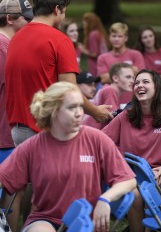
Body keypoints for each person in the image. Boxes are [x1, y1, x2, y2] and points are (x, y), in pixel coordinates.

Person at [0, 82, 136, 232]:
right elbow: (3, 178)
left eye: (80, 106)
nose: (79, 113)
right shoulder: (33, 146)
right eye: (72, 107)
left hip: (87, 223)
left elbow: (128, 180)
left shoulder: (96, 138)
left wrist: (106, 199)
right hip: (46, 219)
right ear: (54, 111)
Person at [5, 0, 113, 146]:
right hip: (44, 129)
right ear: (57, 9)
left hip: (17, 130)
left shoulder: (15, 38)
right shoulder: (60, 40)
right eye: (64, 12)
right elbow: (70, 90)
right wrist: (96, 112)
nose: (64, 18)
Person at [102, 69, 161, 232]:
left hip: (159, 173)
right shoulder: (126, 116)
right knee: (136, 192)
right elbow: (101, 140)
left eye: (145, 82)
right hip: (129, 176)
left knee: (146, 189)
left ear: (157, 87)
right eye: (137, 83)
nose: (139, 85)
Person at [0, 0, 34, 232]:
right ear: (10, 19)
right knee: (13, 193)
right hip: (4, 134)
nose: (30, 24)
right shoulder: (4, 48)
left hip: (9, 131)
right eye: (26, 19)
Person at [83, 63, 135, 129]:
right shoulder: (110, 90)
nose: (132, 81)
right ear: (115, 78)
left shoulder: (107, 88)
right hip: (93, 132)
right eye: (128, 77)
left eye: (133, 78)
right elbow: (114, 119)